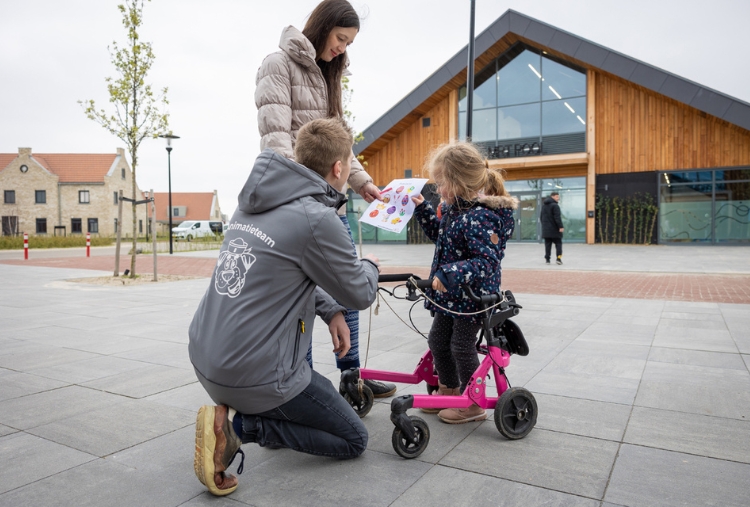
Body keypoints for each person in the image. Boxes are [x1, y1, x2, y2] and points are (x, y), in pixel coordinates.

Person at [189, 118, 380, 496]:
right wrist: (371, 264)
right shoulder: (317, 217)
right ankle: (239, 429)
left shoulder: (251, 205)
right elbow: (360, 292)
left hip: (207, 358)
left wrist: (330, 311)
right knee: (354, 439)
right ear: (339, 168)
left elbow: (283, 273)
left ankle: (244, 415)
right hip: (255, 375)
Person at [255, 0, 395, 398]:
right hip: (297, 203)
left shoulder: (329, 74)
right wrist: (298, 196)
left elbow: (337, 143)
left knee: (346, 286)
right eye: (340, 39)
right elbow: (276, 139)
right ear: (323, 26)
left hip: (329, 201)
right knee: (299, 296)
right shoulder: (277, 64)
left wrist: (361, 182)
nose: (343, 49)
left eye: (349, 43)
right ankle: (302, 388)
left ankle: (352, 379)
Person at [411, 142, 517, 424]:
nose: (438, 189)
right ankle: (449, 390)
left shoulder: (481, 217)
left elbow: (486, 262)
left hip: (472, 298)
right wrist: (423, 210)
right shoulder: (455, 211)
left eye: (441, 183)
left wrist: (449, 273)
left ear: (458, 182)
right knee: (437, 341)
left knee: (461, 346)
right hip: (451, 296)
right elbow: (443, 238)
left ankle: (473, 403)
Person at [540, 191, 564, 265]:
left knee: (547, 244)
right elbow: (557, 217)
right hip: (555, 229)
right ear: (552, 197)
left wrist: (544, 226)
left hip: (546, 229)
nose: (558, 198)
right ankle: (558, 259)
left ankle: (547, 259)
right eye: (557, 197)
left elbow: (541, 217)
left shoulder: (544, 206)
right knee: (558, 243)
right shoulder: (555, 206)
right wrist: (560, 226)